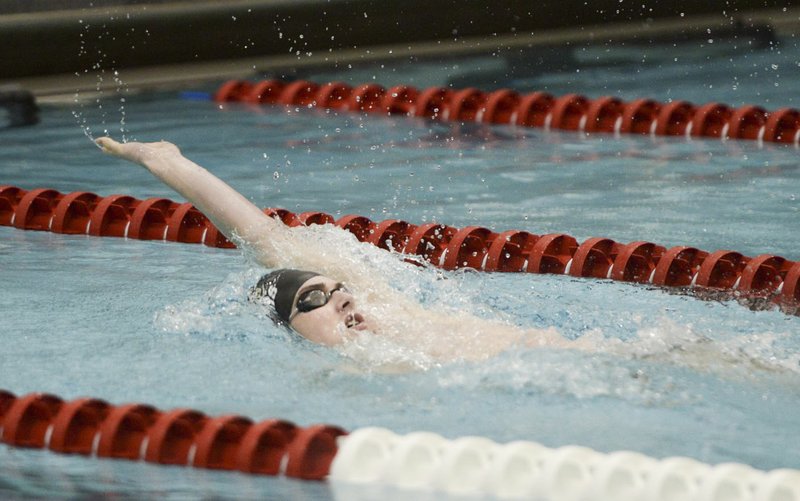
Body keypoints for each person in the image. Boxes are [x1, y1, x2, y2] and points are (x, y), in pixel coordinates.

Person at [96, 137, 588, 363]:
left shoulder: (386, 312)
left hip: (575, 355)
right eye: (313, 300)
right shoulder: (339, 371)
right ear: (286, 328)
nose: (343, 299)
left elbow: (263, 238)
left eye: (337, 290)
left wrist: (165, 162)